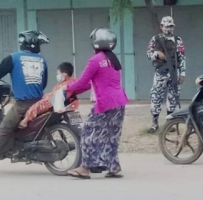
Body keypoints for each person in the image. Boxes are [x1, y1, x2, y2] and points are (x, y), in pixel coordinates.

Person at [66, 28, 129, 179]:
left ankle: (85, 168)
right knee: (111, 135)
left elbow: (82, 81)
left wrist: (67, 87)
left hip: (105, 102)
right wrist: (78, 89)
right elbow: (96, 81)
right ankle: (114, 168)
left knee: (88, 132)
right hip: (119, 101)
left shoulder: (95, 60)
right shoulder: (113, 59)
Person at [0, 30, 49, 177]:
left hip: (23, 104)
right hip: (39, 101)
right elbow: (43, 83)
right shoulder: (41, 60)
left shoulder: (14, 57)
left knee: (3, 129)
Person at [147, 16, 186, 133]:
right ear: (161, 27)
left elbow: (182, 57)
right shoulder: (155, 39)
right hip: (161, 72)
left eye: (171, 26)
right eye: (166, 26)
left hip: (174, 71)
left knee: (173, 97)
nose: (169, 29)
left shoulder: (178, 40)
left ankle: (170, 123)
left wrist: (182, 73)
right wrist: (157, 54)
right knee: (156, 96)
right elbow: (148, 54)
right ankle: (154, 123)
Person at [18, 62, 76, 128]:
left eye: (58, 74)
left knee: (36, 106)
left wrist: (46, 96)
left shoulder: (64, 85)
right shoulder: (73, 82)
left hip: (54, 103)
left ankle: (25, 121)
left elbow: (55, 95)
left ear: (64, 74)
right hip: (70, 104)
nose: (57, 76)